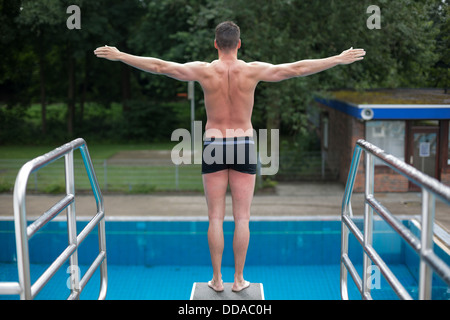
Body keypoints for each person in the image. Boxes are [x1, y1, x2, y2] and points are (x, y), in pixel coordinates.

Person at [94, 21, 365, 293]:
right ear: (238, 44)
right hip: (244, 143)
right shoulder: (252, 71)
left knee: (215, 218)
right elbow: (296, 69)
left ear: (215, 44)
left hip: (214, 143)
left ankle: (216, 279)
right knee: (242, 218)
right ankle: (238, 279)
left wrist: (120, 55)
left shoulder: (204, 70)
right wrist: (338, 59)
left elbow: (160, 66)